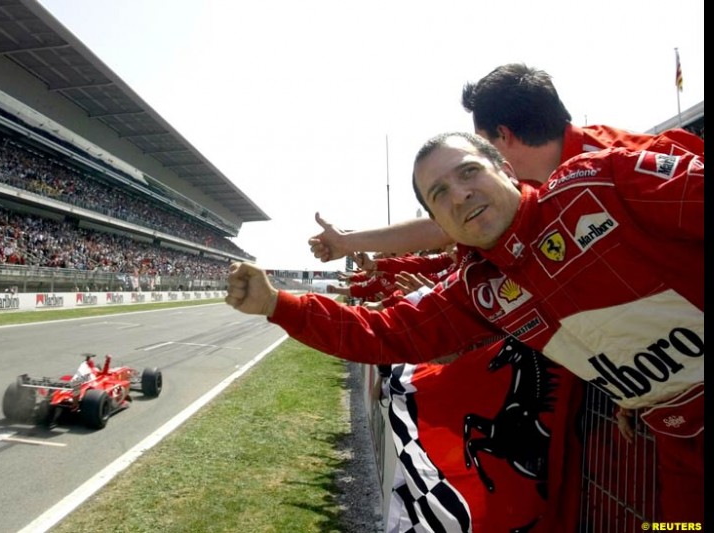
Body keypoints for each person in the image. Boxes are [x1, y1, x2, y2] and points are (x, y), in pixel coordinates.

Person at [227, 132, 703, 524]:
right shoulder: (479, 289)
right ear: (439, 222)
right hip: (679, 443)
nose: (460, 194)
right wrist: (277, 304)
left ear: (507, 172)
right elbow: (382, 333)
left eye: (469, 172)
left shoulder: (599, 182)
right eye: (439, 195)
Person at [308, 63, 704, 263]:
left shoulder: (641, 163)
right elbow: (440, 227)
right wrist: (349, 241)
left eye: (479, 147)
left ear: (503, 136)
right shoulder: (533, 186)